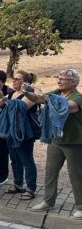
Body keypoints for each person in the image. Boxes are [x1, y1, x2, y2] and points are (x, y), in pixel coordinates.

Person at [31, 69, 82, 218]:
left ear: (73, 83)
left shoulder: (79, 97)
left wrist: (45, 97)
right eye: (58, 78)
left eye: (63, 79)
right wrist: (28, 91)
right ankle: (48, 201)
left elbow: (66, 108)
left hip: (74, 142)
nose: (59, 81)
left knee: (76, 175)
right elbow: (37, 99)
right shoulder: (56, 93)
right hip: (55, 140)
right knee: (50, 171)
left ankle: (80, 206)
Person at [0, 70, 40, 200]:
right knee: (14, 158)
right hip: (10, 130)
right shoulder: (12, 92)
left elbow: (19, 108)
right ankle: (18, 184)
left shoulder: (31, 94)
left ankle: (30, 188)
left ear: (25, 82)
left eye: (17, 79)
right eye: (14, 78)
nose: (13, 80)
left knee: (27, 160)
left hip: (24, 132)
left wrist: (2, 96)